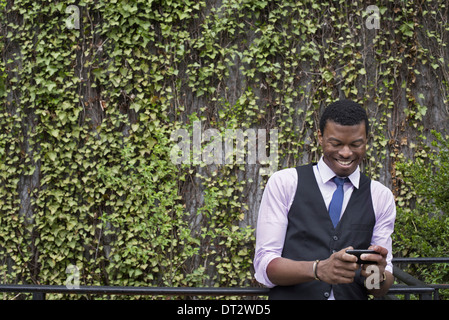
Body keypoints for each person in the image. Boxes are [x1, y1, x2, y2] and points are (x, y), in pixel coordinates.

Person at [253, 99, 396, 300]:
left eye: (356, 144)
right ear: (320, 137)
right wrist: (317, 269)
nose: (346, 153)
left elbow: (377, 288)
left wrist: (376, 275)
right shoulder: (285, 183)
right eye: (336, 143)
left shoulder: (380, 196)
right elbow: (264, 266)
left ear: (366, 140)